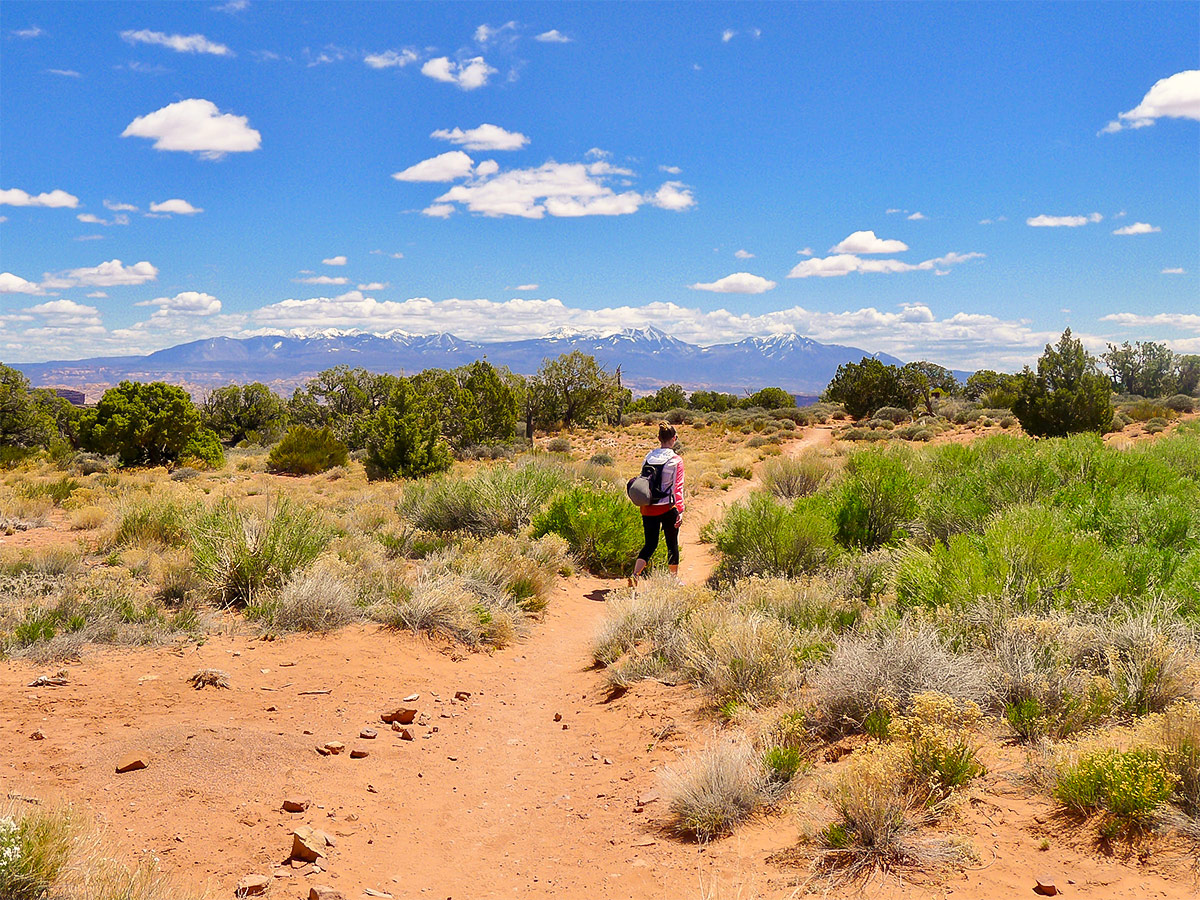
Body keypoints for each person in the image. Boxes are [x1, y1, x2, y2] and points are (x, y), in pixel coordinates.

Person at [629, 421, 685, 586]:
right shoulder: (676, 460)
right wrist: (680, 510)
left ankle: (635, 575)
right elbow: (677, 487)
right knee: (671, 543)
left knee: (650, 544)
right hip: (667, 508)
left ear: (659, 438)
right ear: (674, 439)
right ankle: (673, 580)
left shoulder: (649, 456)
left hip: (647, 507)